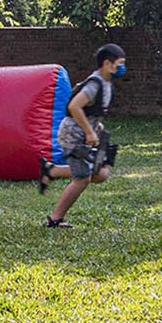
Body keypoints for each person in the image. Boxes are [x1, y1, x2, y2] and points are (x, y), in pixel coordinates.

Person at [40, 43, 128, 228]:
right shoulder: (94, 84)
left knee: (102, 173)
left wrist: (96, 125)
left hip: (84, 133)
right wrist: (88, 131)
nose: (122, 67)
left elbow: (90, 109)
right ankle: (55, 219)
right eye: (119, 63)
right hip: (73, 136)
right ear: (107, 64)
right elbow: (74, 106)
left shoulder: (106, 83)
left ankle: (52, 171)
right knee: (82, 178)